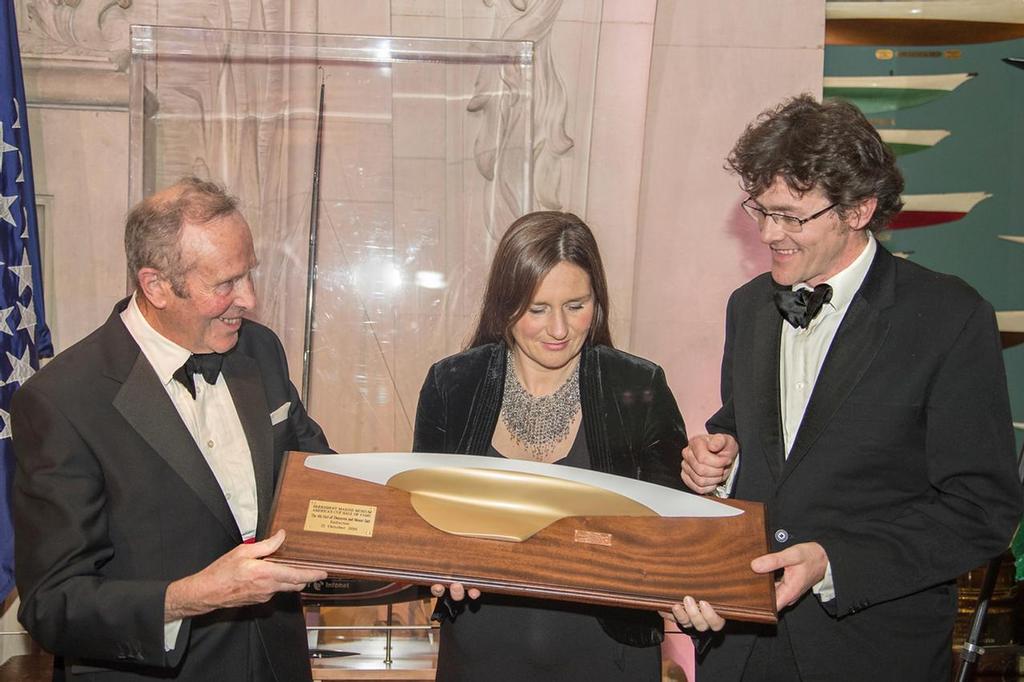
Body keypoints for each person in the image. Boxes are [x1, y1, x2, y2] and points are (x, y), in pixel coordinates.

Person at [682, 94, 1023, 681]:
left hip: (869, 652)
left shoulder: (950, 316)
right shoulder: (749, 308)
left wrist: (834, 561)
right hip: (742, 652)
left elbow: (981, 509)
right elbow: (755, 434)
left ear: (860, 209)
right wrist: (719, 458)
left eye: (791, 216)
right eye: (760, 210)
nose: (768, 234)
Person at [12, 177, 332, 681]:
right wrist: (193, 596)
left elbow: (323, 483)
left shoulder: (260, 352)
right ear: (155, 285)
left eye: (249, 274)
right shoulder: (62, 401)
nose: (247, 298)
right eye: (225, 283)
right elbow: (54, 604)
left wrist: (443, 563)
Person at [413, 211, 721, 681]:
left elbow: (679, 527)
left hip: (609, 658)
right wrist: (431, 568)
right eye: (537, 309)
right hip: (481, 654)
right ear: (505, 305)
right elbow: (418, 517)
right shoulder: (454, 384)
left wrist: (702, 598)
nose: (558, 329)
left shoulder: (636, 386)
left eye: (576, 306)